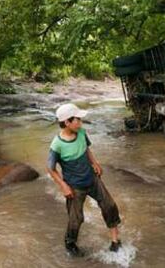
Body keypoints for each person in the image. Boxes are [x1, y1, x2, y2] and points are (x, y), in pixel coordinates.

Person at [46, 103, 122, 257]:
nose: (80, 122)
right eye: (77, 120)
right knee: (76, 219)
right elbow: (50, 168)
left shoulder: (81, 132)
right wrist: (63, 186)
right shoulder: (57, 145)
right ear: (67, 122)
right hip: (75, 187)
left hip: (92, 180)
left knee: (110, 206)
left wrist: (95, 163)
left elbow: (86, 149)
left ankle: (115, 241)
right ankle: (70, 243)